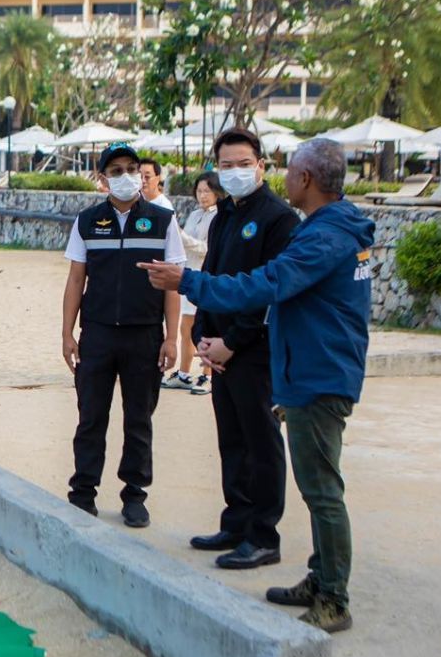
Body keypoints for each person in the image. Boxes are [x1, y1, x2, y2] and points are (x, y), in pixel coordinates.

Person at [140, 138, 375, 632]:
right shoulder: (328, 228)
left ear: (305, 180)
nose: (285, 178)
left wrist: (186, 282)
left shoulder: (320, 237)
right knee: (310, 482)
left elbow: (263, 286)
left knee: (322, 490)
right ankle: (320, 576)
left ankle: (333, 596)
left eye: (288, 170)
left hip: (318, 374)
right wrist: (205, 328)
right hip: (307, 368)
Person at [182, 129, 298, 571]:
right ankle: (236, 521)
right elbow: (211, 275)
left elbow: (270, 290)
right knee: (231, 439)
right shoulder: (225, 215)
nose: (233, 172)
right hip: (219, 349)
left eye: (242, 163)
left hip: (254, 350)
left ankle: (264, 535)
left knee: (261, 443)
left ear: (261, 166)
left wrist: (233, 341)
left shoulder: (278, 219)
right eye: (225, 165)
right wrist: (203, 339)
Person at [61, 143, 183, 527]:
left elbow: (173, 285)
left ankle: (134, 495)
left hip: (144, 335)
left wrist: (172, 338)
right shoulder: (86, 221)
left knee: (139, 419)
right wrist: (67, 334)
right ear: (102, 179)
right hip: (96, 334)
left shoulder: (164, 220)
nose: (126, 176)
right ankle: (83, 492)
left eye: (132, 168)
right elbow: (76, 279)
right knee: (91, 416)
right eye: (116, 170)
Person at [162, 171, 222, 395]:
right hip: (188, 275)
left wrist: (181, 236)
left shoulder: (218, 217)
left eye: (207, 191)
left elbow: (206, 248)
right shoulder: (196, 214)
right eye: (199, 191)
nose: (203, 195)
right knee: (185, 327)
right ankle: (184, 372)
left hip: (206, 276)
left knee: (206, 328)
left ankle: (207, 374)